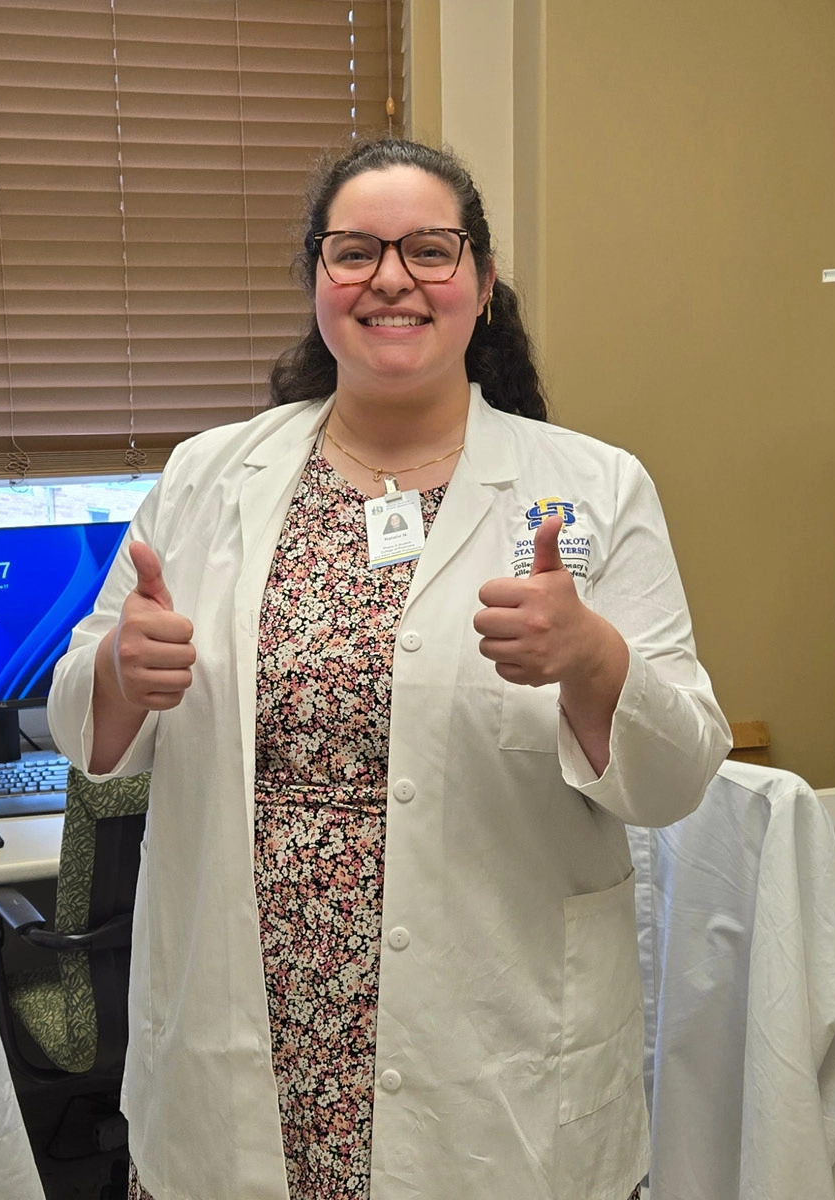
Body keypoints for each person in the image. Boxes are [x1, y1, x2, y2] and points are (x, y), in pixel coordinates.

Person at [46, 137, 729, 1200]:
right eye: (355, 250)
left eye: (430, 249)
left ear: (484, 282)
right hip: (248, 1055)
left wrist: (595, 660)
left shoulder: (593, 487)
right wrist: (126, 671)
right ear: (319, 280)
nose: (392, 278)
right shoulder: (211, 474)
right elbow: (85, 726)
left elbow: (681, 774)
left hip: (489, 1066)